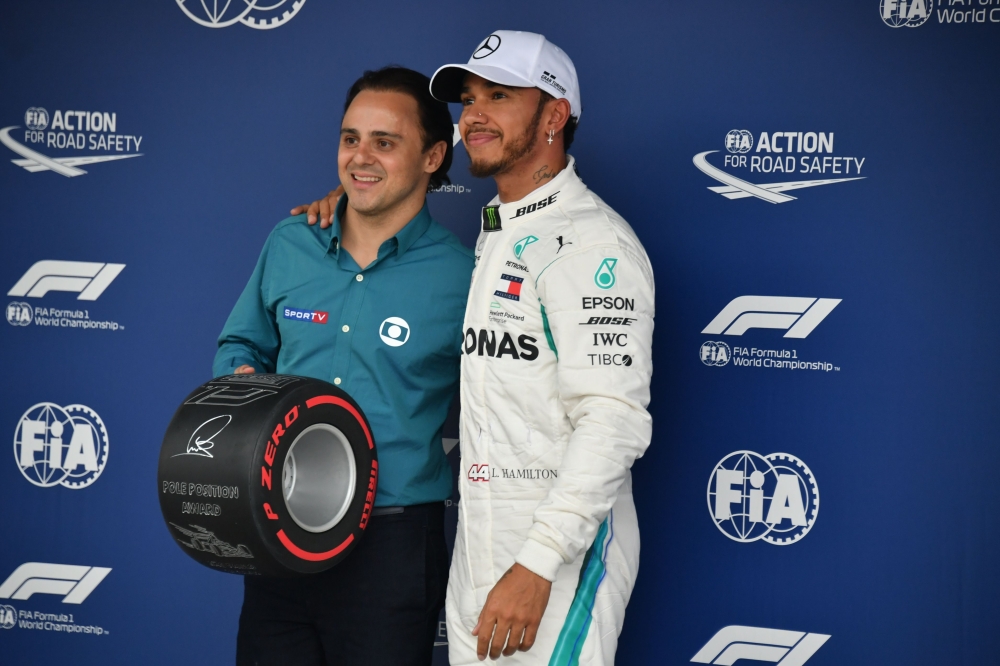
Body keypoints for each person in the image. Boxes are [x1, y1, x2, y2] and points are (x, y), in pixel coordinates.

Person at [298, 31, 655, 665]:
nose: (475, 116)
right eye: (469, 99)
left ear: (554, 115)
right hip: (480, 547)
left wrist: (539, 562)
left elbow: (614, 420)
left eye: (499, 96)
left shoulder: (593, 243)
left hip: (556, 561)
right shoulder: (501, 229)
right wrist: (351, 205)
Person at [216, 66, 474, 666]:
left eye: (385, 142)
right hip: (281, 526)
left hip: (393, 542)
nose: (361, 157)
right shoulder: (291, 242)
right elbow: (241, 344)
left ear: (434, 156)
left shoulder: (466, 276)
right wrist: (242, 385)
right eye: (351, 138)